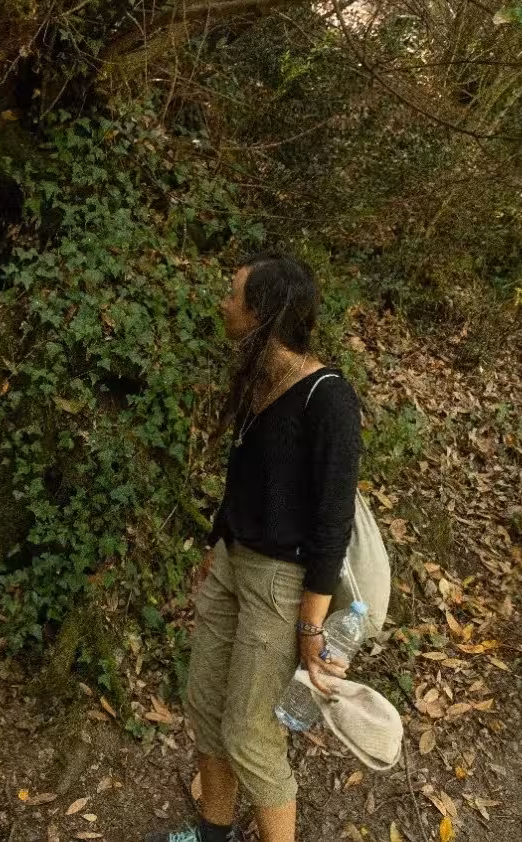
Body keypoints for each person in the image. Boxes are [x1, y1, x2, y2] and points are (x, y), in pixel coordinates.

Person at [153, 253, 363, 842]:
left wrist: (313, 627)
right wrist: (217, 544)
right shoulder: (261, 381)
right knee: (206, 709)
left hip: (282, 583)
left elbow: (332, 521)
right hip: (232, 565)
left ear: (264, 313)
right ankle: (212, 835)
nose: (224, 304)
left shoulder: (329, 399)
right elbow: (243, 479)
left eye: (234, 294)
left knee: (251, 733)